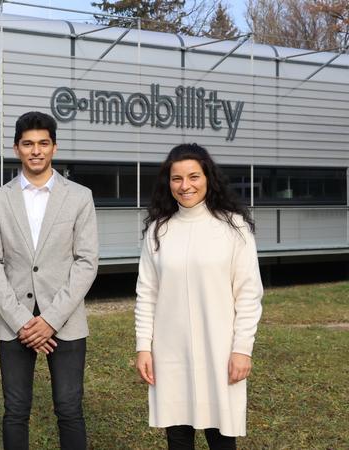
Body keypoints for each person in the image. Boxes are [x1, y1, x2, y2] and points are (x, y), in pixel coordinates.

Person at [0, 111, 99, 450]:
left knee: (69, 408)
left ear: (54, 147)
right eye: (28, 144)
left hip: (65, 320)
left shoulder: (79, 196)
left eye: (43, 143)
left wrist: (50, 319)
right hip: (14, 321)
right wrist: (22, 321)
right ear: (16, 148)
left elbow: (87, 261)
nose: (36, 151)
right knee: (15, 410)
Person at [134, 143, 263, 449]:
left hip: (219, 351)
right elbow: (146, 294)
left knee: (220, 437)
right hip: (170, 353)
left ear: (208, 178)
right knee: (178, 436)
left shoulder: (235, 228)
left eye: (193, 176)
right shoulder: (158, 231)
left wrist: (242, 349)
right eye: (177, 178)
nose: (185, 185)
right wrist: (143, 347)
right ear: (169, 183)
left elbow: (248, 294)